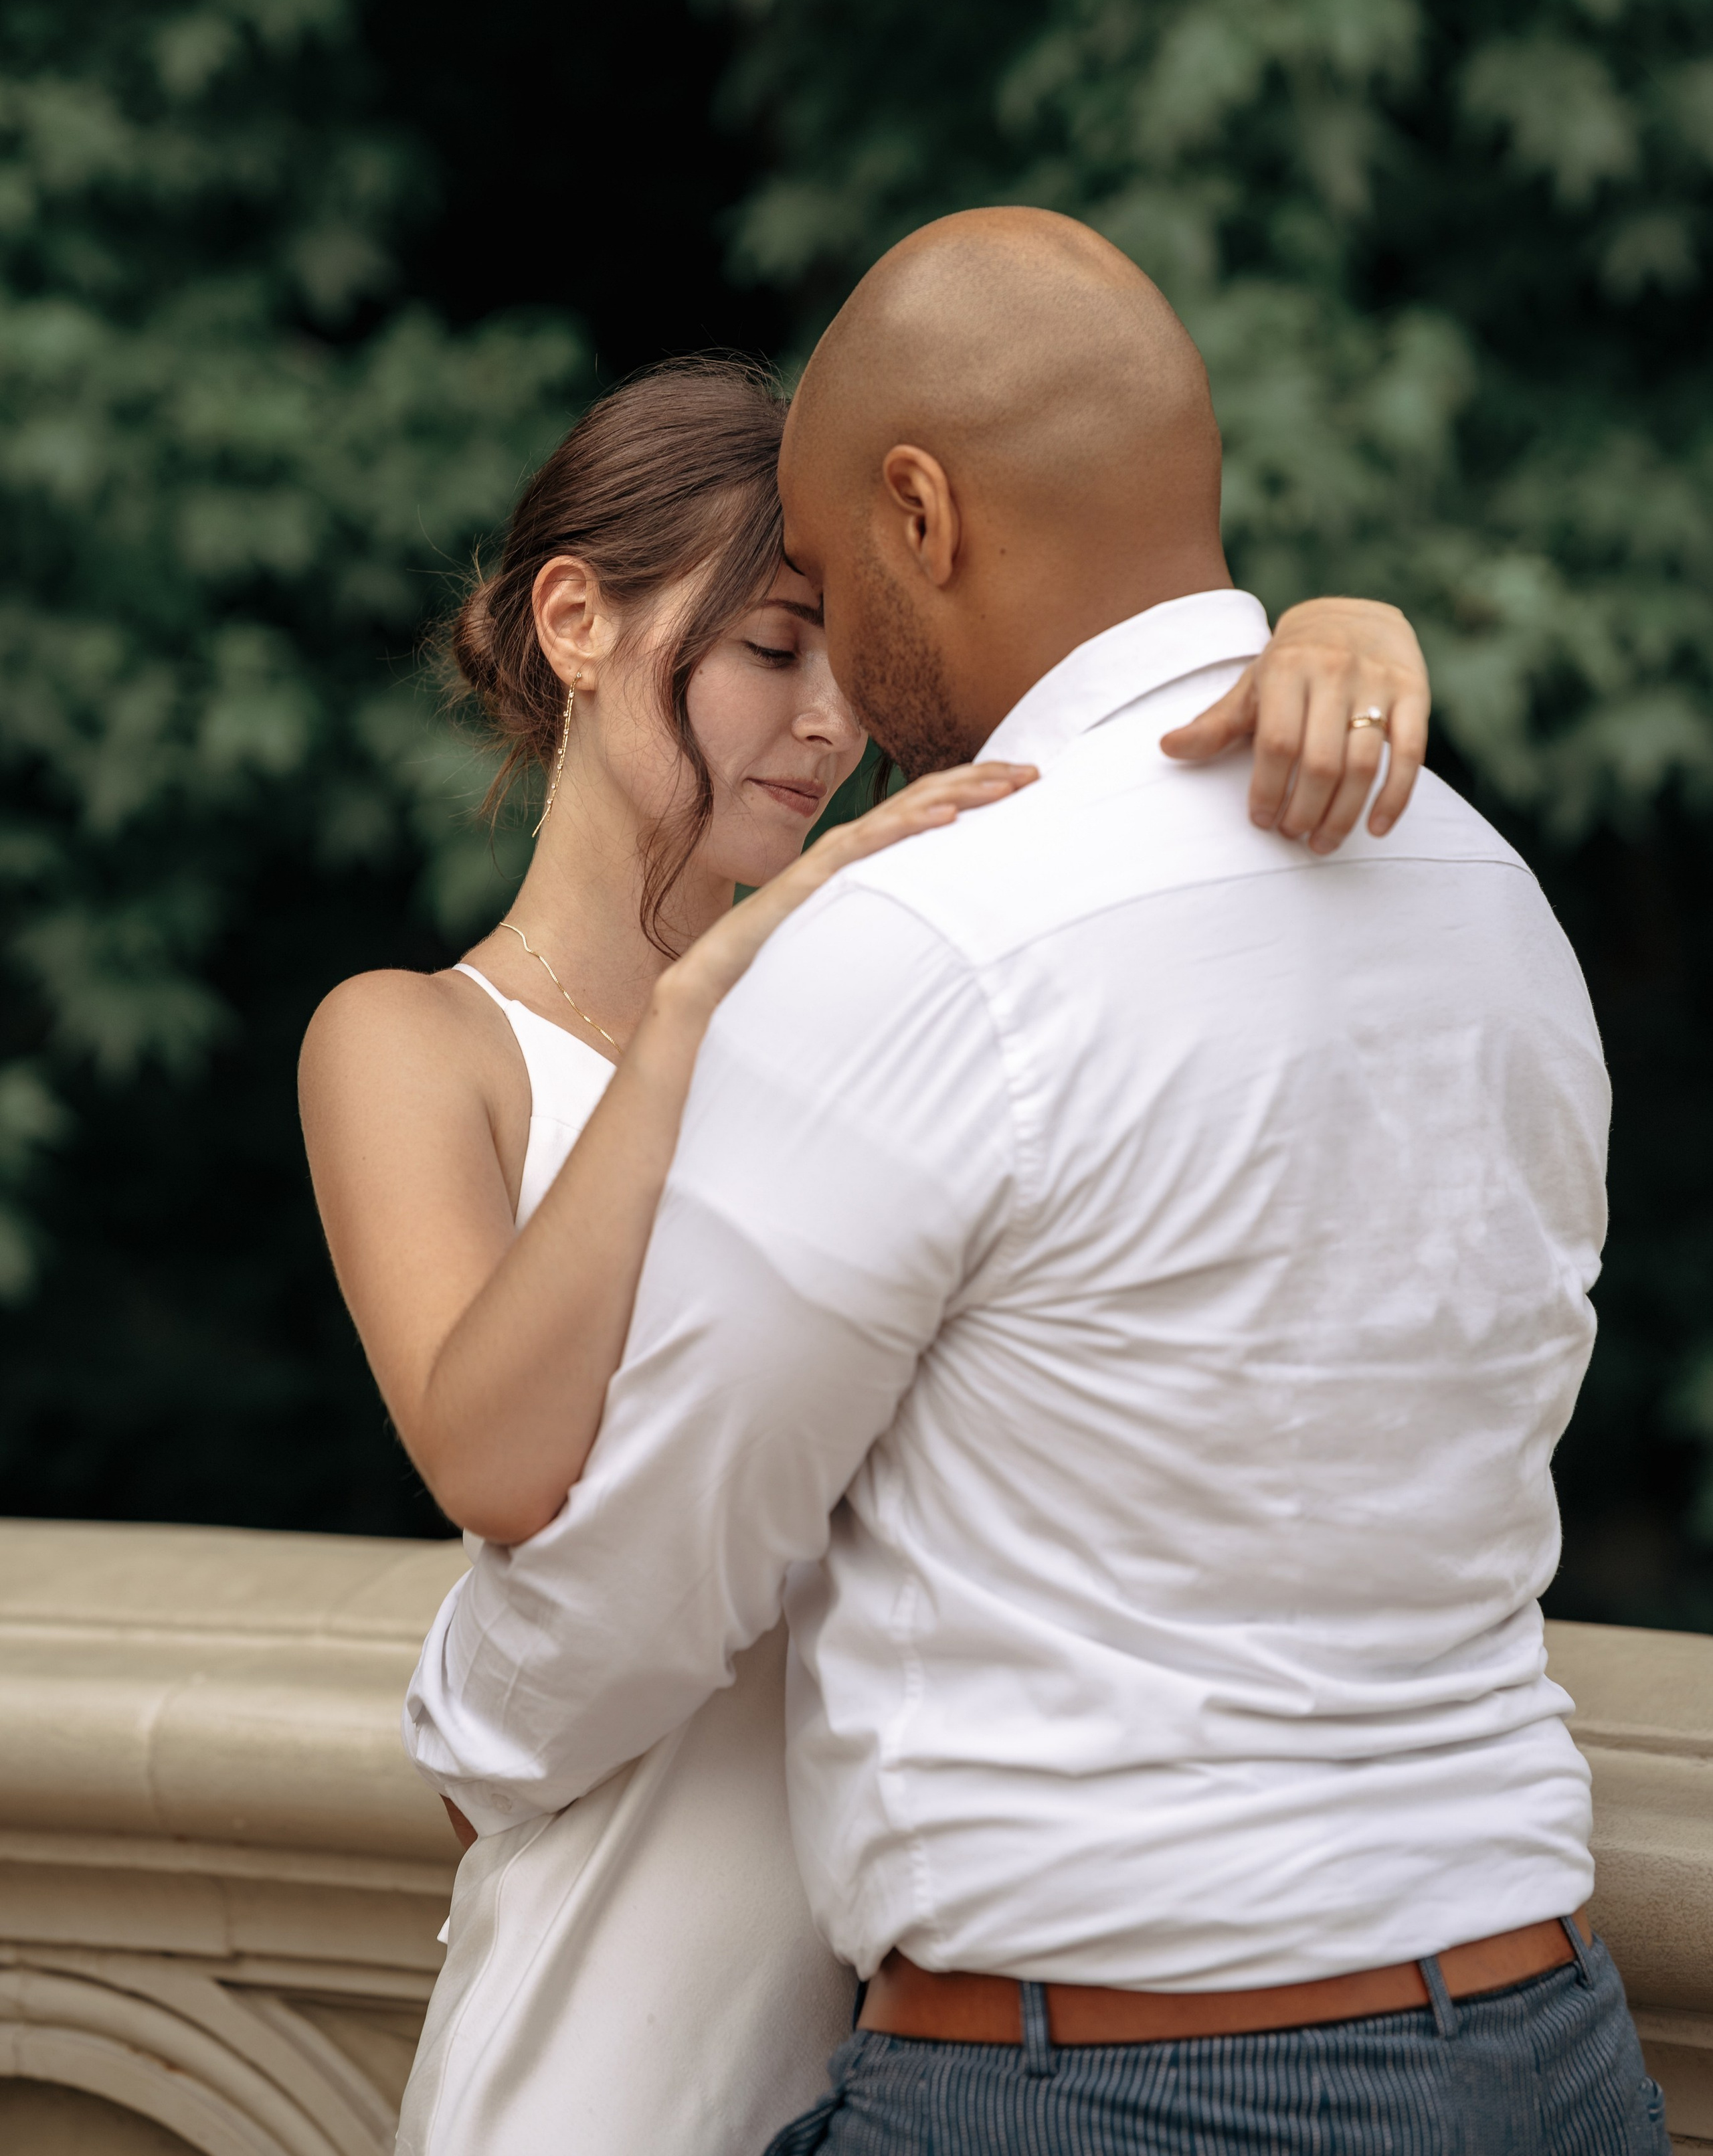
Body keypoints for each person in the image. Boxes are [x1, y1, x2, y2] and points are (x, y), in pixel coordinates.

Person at [399, 217, 1663, 2156]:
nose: (833, 693)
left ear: (924, 512)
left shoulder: (930, 937)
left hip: (1114, 2082)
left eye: (821, 574)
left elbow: (661, 1565)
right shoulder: (1494, 896)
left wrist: (467, 1739)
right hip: (1546, 2046)